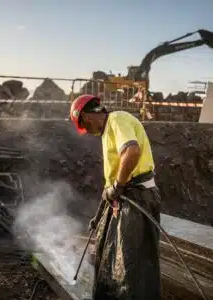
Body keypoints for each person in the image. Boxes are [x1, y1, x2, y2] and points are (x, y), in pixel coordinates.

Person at [70, 94, 161, 300]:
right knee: (107, 253)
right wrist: (100, 214)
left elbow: (131, 151)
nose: (88, 132)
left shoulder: (117, 119)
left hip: (137, 199)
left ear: (85, 116)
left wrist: (118, 186)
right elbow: (111, 183)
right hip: (129, 197)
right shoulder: (108, 130)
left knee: (130, 267)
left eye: (84, 126)